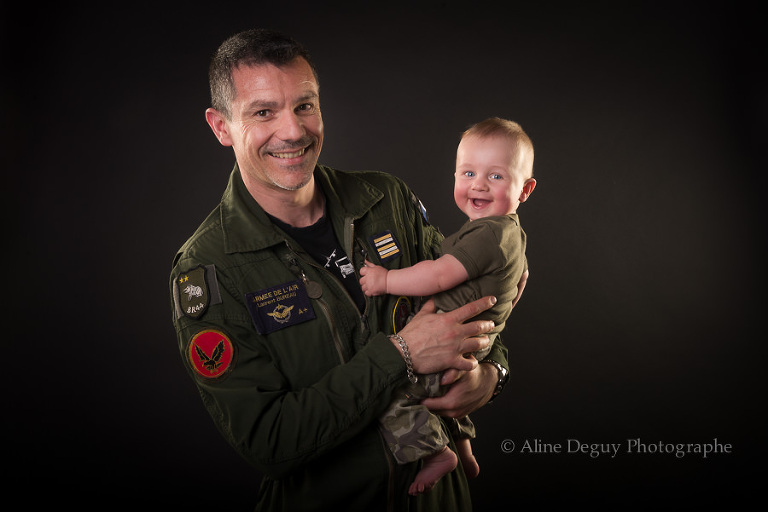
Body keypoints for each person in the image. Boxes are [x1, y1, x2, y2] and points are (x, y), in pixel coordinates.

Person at [169, 28, 524, 511]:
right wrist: (400, 353)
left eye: (305, 105)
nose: (293, 131)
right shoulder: (209, 268)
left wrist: (491, 372)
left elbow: (471, 300)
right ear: (221, 126)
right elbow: (269, 443)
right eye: (263, 112)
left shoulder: (385, 200)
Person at [360, 117, 536, 495]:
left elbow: (439, 276)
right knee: (444, 395)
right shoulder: (509, 233)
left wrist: (385, 280)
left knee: (394, 398)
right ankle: (463, 445)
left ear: (525, 189)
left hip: (448, 343)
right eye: (468, 172)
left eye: (496, 176)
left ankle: (437, 452)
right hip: (471, 343)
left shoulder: (490, 233)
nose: (478, 184)